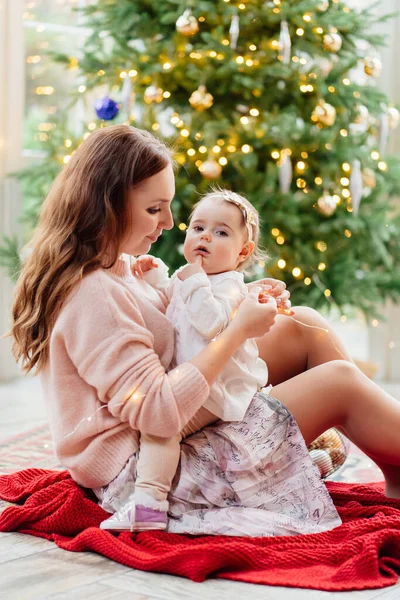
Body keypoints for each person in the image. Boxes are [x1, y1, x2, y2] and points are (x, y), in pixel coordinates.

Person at [9, 125, 400, 537]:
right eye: (154, 208)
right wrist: (236, 333)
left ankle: (394, 474)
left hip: (176, 424)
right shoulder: (93, 294)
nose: (170, 222)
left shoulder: (119, 262)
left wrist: (243, 299)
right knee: (340, 383)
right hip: (155, 469)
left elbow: (176, 328)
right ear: (110, 203)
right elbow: (156, 411)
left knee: (306, 326)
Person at [100, 188, 278, 531]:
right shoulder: (192, 277)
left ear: (243, 251)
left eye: (221, 232)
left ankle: (149, 507)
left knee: (160, 428)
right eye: (197, 228)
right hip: (189, 380)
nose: (205, 237)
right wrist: (155, 276)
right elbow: (169, 304)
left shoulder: (230, 286)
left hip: (215, 388)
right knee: (151, 419)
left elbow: (210, 322)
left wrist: (192, 279)